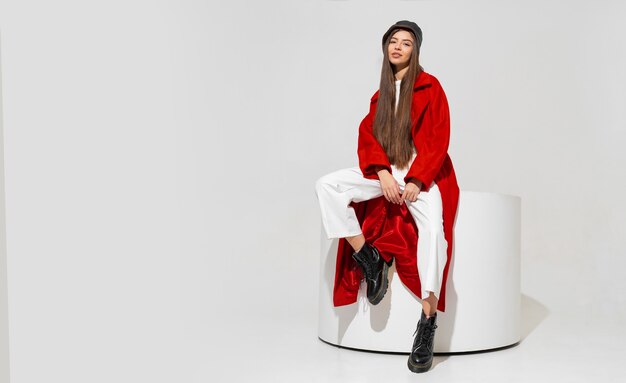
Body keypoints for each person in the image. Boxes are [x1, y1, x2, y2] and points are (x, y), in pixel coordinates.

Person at [314, 20, 460, 373]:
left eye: (406, 43)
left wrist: (417, 179)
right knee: (328, 185)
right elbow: (368, 136)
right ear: (385, 48)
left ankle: (426, 324)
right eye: (392, 41)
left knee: (434, 237)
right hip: (386, 173)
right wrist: (381, 172)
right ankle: (369, 256)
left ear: (416, 50)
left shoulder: (430, 87)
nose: (397, 47)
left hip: (421, 176)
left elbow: (439, 138)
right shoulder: (379, 95)